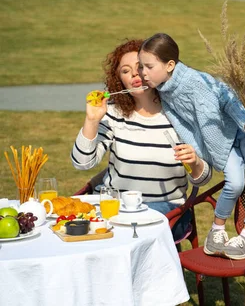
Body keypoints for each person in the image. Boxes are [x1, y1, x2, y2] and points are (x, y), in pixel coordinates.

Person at [139, 33, 245, 260]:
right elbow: (182, 124)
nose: (143, 72)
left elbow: (227, 98)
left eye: (148, 66)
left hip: (240, 130)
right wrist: (198, 148)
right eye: (141, 67)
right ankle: (217, 231)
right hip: (223, 142)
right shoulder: (164, 90)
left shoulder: (194, 82)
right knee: (236, 183)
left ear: (170, 66)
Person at [71, 39, 212, 239]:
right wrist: (92, 120)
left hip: (169, 212)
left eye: (139, 67)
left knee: (132, 229)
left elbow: (204, 178)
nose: (134, 74)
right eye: (125, 71)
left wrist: (195, 162)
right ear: (119, 80)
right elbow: (82, 163)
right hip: (116, 209)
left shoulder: (180, 114)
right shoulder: (113, 114)